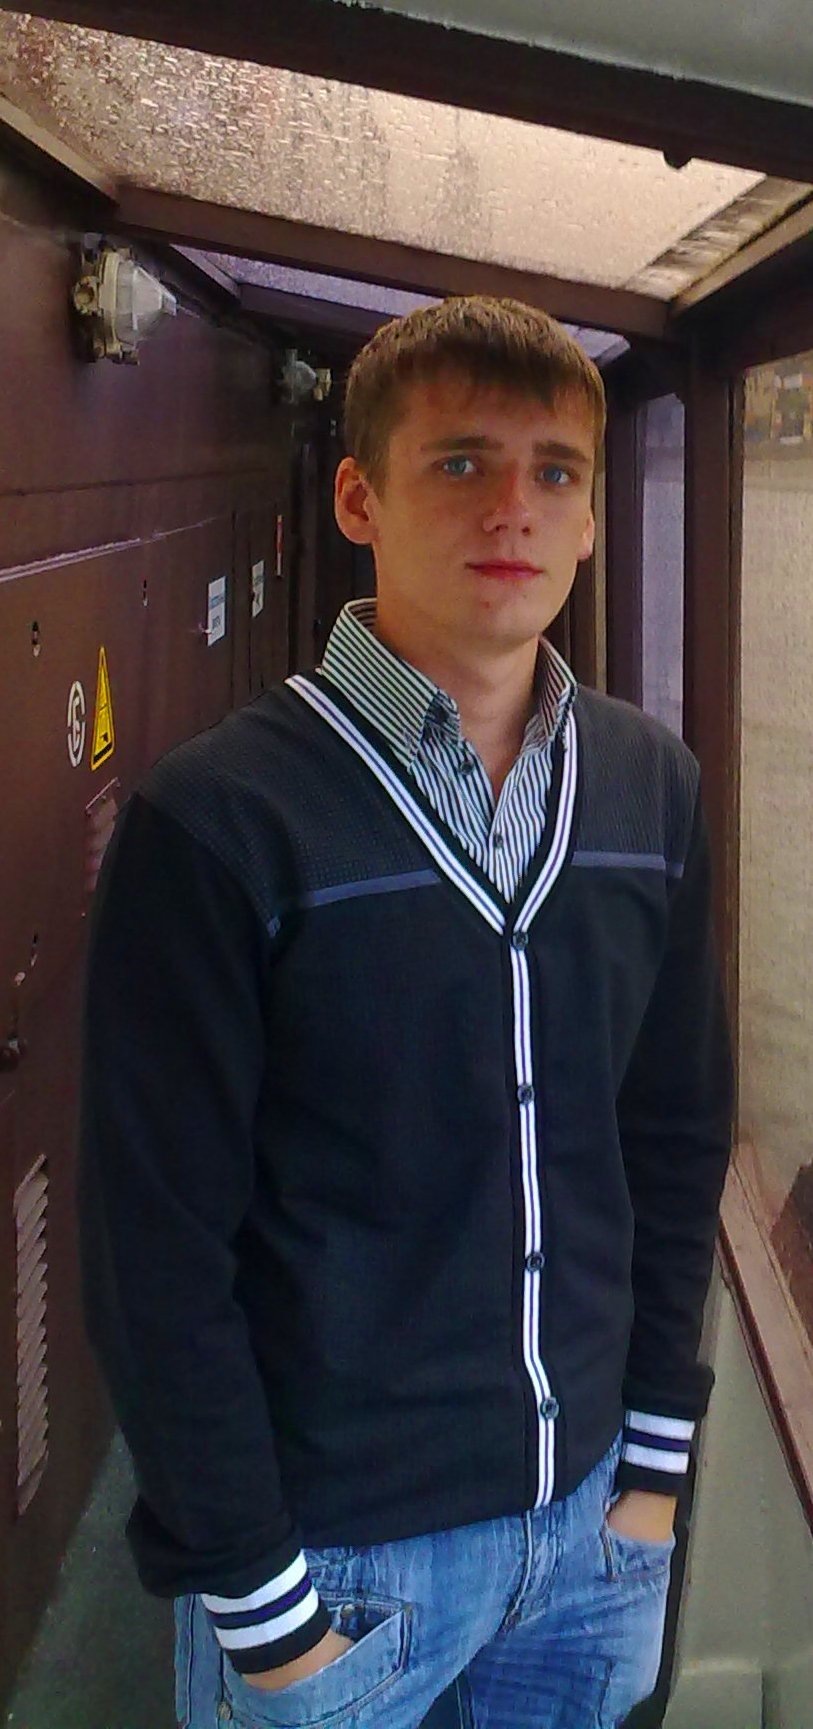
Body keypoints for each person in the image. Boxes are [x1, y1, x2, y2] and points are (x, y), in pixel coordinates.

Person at [80, 296, 733, 1729]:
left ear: (590, 518)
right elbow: (153, 1246)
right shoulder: (221, 821)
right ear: (358, 499)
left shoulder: (650, 789)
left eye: (555, 471)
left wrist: (651, 1476)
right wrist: (264, 1609)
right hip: (334, 1558)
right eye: (459, 462)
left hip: (592, 1537)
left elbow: (675, 1140)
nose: (512, 507)